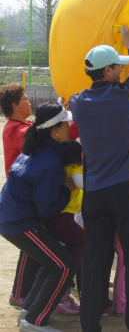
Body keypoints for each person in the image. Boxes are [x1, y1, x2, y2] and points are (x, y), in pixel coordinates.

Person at [70, 26, 129, 332]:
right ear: (109, 70)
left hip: (95, 194)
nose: (122, 69)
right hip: (125, 189)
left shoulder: (77, 102)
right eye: (118, 65)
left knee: (95, 262)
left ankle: (90, 325)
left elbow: (77, 96)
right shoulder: (122, 96)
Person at [0, 103, 76, 332]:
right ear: (55, 131)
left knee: (52, 261)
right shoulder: (49, 163)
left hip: (13, 219)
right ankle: (34, 321)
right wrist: (68, 189)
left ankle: (30, 311)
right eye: (66, 124)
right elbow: (47, 209)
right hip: (20, 224)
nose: (70, 126)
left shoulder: (41, 149)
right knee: (64, 266)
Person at [0, 83, 40, 307]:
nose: (29, 102)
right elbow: (36, 136)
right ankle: (19, 293)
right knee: (29, 246)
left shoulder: (22, 125)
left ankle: (23, 291)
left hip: (26, 195)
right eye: (25, 99)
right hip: (22, 198)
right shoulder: (15, 129)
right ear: (15, 104)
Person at [45, 139, 85, 315]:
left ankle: (64, 291)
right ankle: (66, 281)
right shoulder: (73, 169)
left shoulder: (60, 169)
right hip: (64, 218)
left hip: (60, 217)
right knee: (82, 242)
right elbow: (82, 184)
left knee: (71, 246)